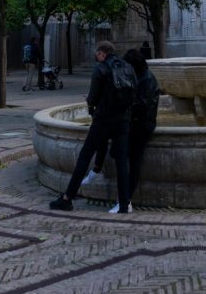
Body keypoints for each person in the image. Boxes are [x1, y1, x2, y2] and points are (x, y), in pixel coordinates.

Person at [50, 41, 132, 214]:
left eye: (97, 54)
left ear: (102, 53)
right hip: (123, 119)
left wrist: (90, 101)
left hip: (103, 120)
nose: (97, 57)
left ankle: (67, 198)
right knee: (122, 161)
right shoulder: (127, 67)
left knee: (85, 156)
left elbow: (93, 98)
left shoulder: (100, 69)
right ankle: (124, 204)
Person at [81, 47, 159, 212]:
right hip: (133, 124)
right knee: (111, 146)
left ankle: (126, 200)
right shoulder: (141, 77)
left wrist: (125, 106)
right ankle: (97, 171)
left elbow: (142, 105)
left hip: (142, 127)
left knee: (133, 161)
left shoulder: (147, 80)